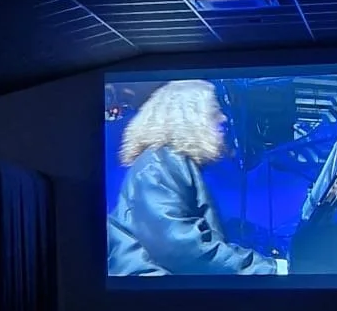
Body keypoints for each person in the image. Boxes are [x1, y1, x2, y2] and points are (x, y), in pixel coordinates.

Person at [107, 79, 285, 276]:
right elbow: (179, 247)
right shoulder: (159, 163)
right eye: (215, 110)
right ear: (190, 116)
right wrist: (272, 269)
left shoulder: (169, 163)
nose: (223, 118)